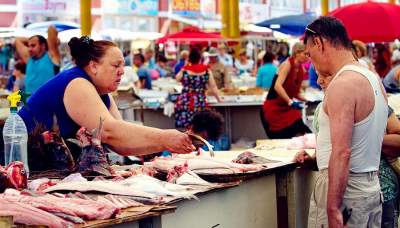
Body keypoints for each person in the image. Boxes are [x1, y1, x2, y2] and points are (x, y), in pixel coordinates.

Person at [18, 36, 194, 170]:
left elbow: (120, 141)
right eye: (116, 65)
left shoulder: (102, 93)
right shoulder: (77, 83)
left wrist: (166, 142)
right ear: (94, 66)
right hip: (19, 163)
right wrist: (164, 138)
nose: (122, 72)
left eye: (123, 66)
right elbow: (109, 132)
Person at [297, 16, 387, 227]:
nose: (311, 62)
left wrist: (333, 208)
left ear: (318, 43)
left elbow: (342, 152)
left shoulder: (343, 83)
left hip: (345, 192)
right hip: (370, 188)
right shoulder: (373, 79)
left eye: (310, 54)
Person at [261, 42, 311, 139]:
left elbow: (295, 92)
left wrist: (308, 100)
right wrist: (290, 102)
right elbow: (277, 86)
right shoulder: (287, 64)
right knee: (281, 139)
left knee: (303, 129)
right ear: (297, 53)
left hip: (286, 108)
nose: (307, 57)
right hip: (274, 108)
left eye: (309, 55)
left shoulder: (301, 69)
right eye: (305, 54)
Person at [175, 48, 221, 128]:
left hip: (186, 101)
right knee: (199, 125)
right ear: (200, 59)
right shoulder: (206, 71)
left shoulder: (185, 70)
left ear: (189, 59)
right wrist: (219, 99)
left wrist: (186, 65)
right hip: (199, 100)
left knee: (185, 127)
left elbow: (177, 78)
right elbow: (213, 86)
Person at [15, 25, 60, 95]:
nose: (29, 49)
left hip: (48, 103)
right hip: (30, 103)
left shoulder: (51, 56)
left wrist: (45, 40)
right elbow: (18, 40)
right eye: (28, 46)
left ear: (43, 46)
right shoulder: (29, 58)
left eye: (33, 45)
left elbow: (51, 28)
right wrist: (32, 40)